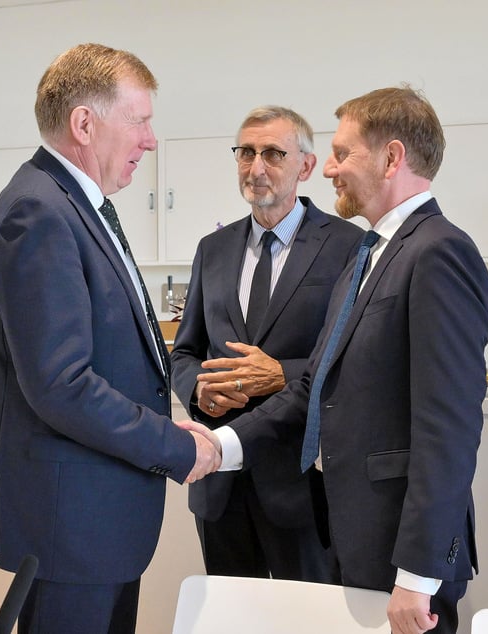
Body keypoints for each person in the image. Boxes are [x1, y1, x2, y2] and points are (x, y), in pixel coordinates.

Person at [185, 85, 488, 634]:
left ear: (392, 158)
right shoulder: (371, 255)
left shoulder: (438, 251)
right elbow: (316, 387)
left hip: (402, 555)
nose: (328, 170)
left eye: (342, 153)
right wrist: (219, 444)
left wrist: (419, 575)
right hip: (355, 534)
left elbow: (447, 429)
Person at [0, 43, 219, 634]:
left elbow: (102, 361)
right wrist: (175, 448)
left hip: (93, 523)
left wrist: (166, 424)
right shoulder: (38, 214)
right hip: (70, 526)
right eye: (140, 120)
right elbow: (61, 385)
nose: (151, 140)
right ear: (85, 123)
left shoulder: (75, 205)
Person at [170, 106, 364, 582]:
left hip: (300, 482)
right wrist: (197, 387)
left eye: (274, 153)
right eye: (246, 153)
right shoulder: (210, 250)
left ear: (305, 166)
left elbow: (353, 360)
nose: (256, 167)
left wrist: (282, 373)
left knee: (306, 621)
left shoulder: (348, 245)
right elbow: (184, 352)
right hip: (220, 488)